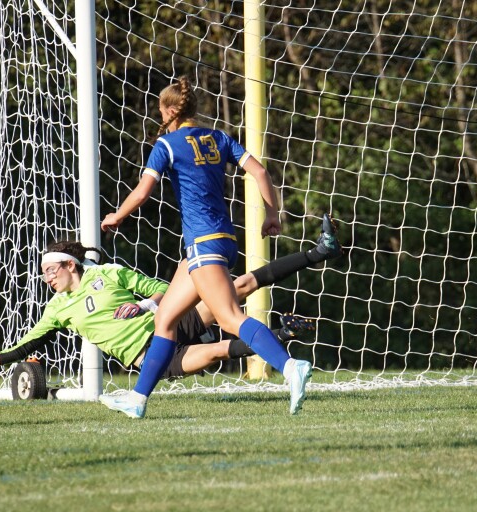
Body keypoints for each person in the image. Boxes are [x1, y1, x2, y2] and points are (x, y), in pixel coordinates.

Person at [101, 76, 317, 418]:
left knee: (230, 318)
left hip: (204, 244)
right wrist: (272, 214)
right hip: (222, 241)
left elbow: (143, 192)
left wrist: (117, 216)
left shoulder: (167, 145)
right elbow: (259, 171)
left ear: (171, 110)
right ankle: (137, 400)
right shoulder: (218, 138)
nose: (159, 116)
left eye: (160, 110)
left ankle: (291, 368)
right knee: (166, 319)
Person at [0, 222, 340, 395]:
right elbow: (21, 349)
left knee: (237, 286)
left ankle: (317, 252)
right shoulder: (58, 309)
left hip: (169, 320)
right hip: (151, 357)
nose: (46, 277)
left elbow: (165, 289)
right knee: (216, 352)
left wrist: (143, 305)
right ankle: (283, 334)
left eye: (49, 270)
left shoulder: (109, 274)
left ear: (69, 265)